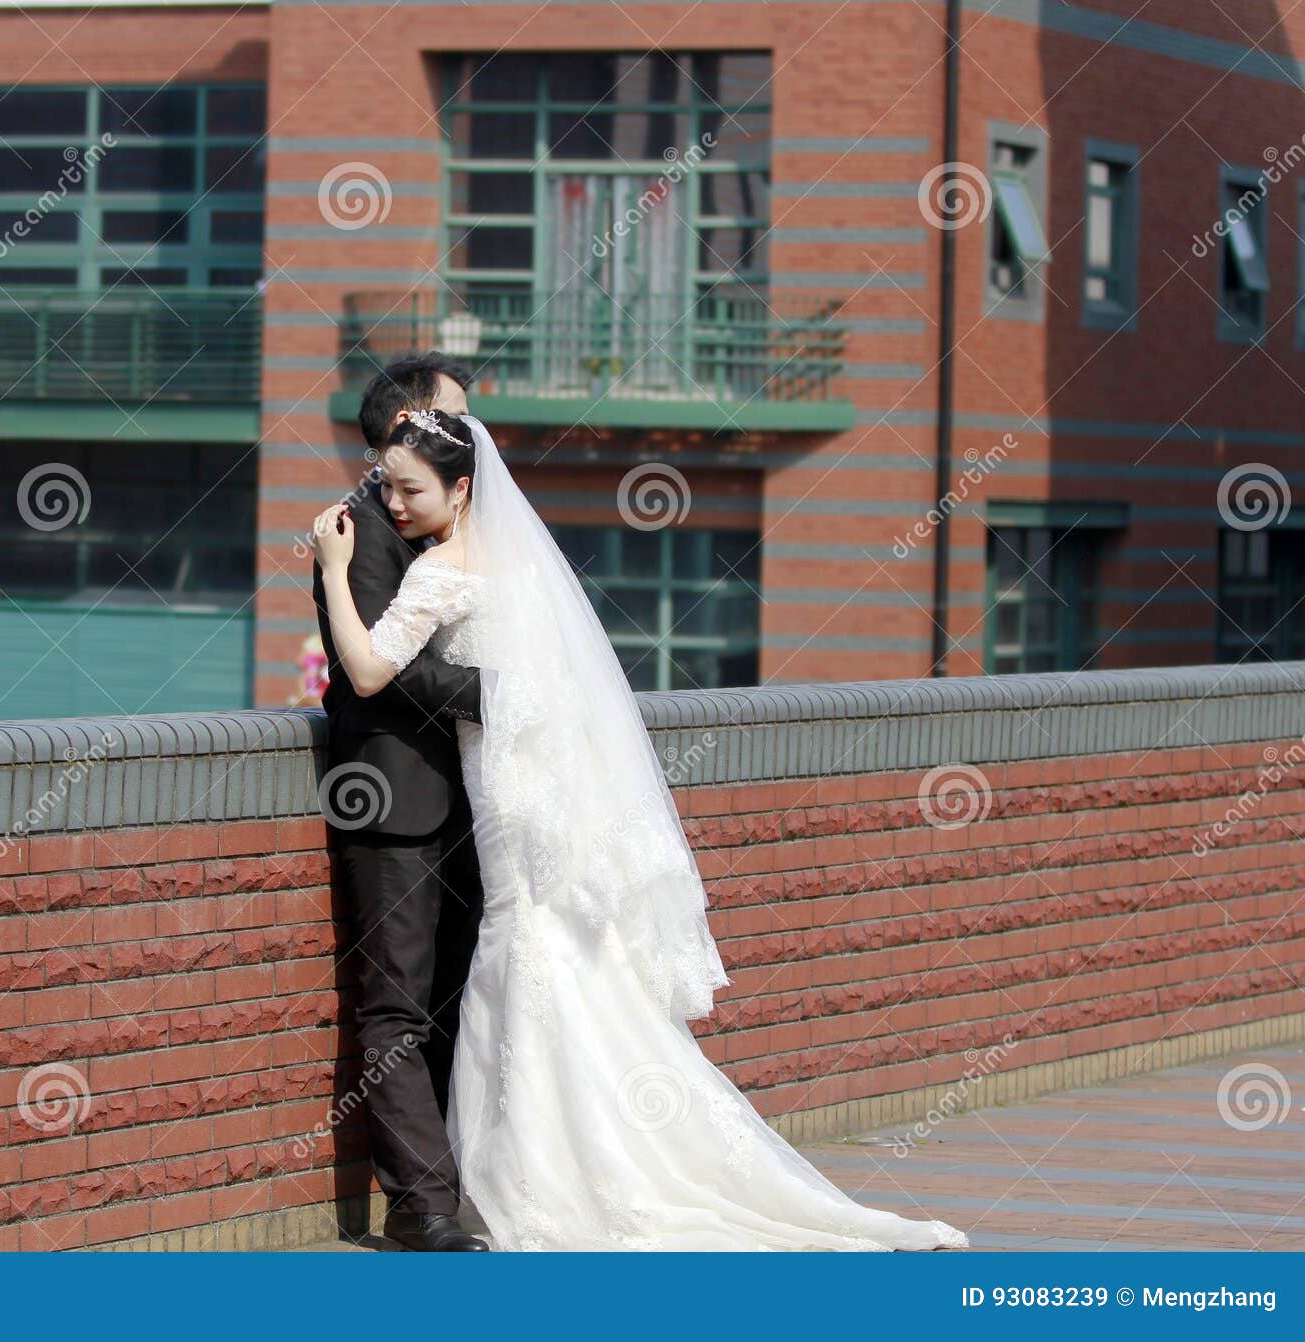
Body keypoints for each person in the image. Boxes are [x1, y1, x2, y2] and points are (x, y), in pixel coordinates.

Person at [310, 408, 973, 1252]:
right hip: (546, 775)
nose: (394, 504)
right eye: (388, 485)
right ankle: (609, 1141)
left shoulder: (442, 568)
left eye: (410, 489)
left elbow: (368, 670)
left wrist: (335, 570)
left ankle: (554, 1165)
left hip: (508, 789)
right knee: (561, 948)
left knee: (526, 945)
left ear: (462, 487)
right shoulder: (526, 564)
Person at [309, 354, 489, 1252]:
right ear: (410, 422)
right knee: (395, 1010)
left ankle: (462, 1183)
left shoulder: (453, 518)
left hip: (471, 805)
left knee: (460, 999)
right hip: (388, 801)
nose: (473, 433)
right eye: (456, 414)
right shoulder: (358, 527)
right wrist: (500, 693)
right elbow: (383, 674)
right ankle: (421, 1207)